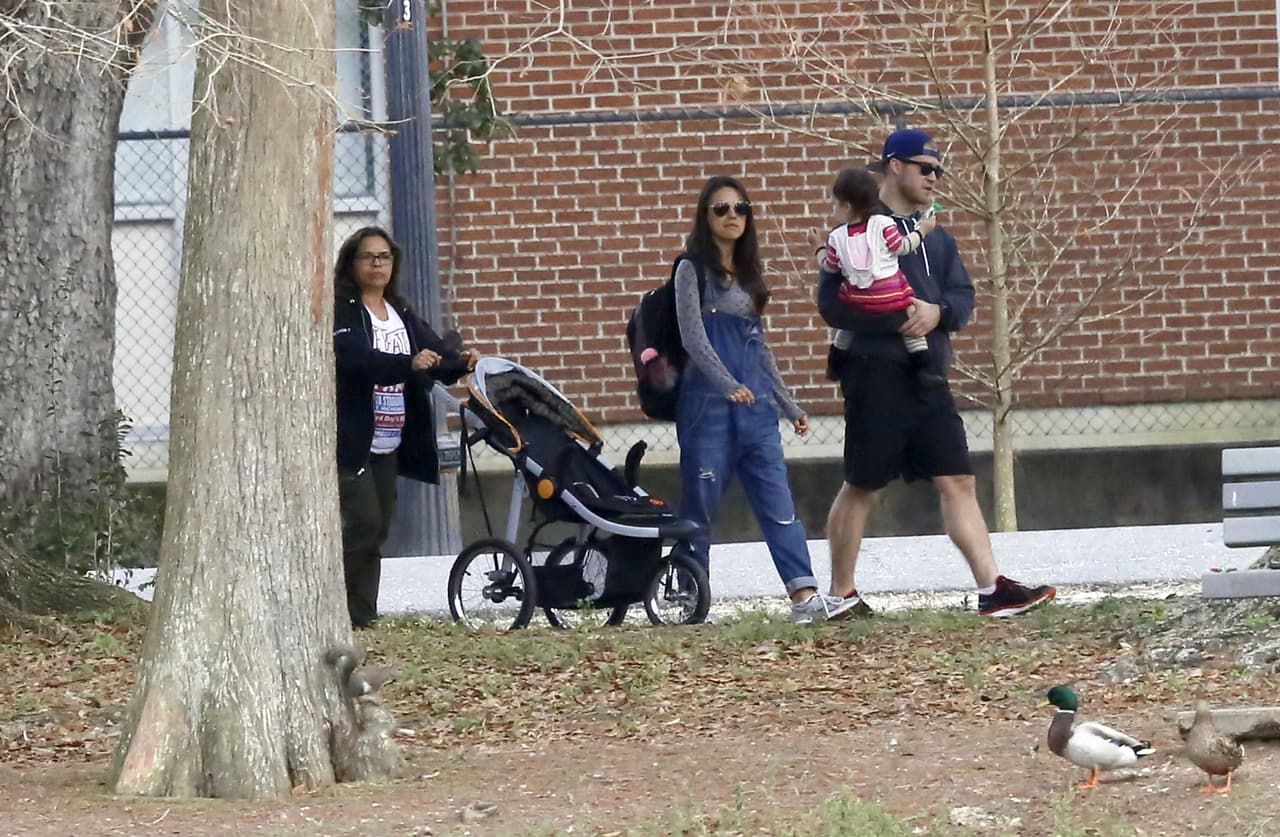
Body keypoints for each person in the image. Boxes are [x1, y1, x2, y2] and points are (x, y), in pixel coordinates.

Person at [817, 130, 1056, 618]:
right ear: (893, 166)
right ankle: (840, 595)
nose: (933, 178)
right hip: (873, 373)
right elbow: (829, 305)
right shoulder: (855, 230)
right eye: (924, 167)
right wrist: (894, 316)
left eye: (938, 171)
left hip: (927, 376)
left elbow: (963, 298)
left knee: (958, 479)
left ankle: (992, 590)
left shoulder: (937, 237)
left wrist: (936, 312)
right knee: (863, 484)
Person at [675, 175, 857, 623]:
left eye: (741, 209)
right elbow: (693, 339)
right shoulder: (691, 271)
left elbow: (761, 348)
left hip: (756, 413)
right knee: (699, 507)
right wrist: (725, 385)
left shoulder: (752, 276)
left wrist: (787, 405)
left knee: (778, 504)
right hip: (708, 410)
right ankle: (689, 599)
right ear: (706, 217)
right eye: (721, 209)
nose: (732, 216)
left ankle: (804, 596)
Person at [333, 226, 476, 629]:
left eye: (385, 257)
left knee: (377, 528)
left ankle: (362, 614)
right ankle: (340, 612)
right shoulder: (345, 311)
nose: (378, 265)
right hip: (353, 439)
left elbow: (434, 355)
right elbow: (356, 360)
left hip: (390, 439)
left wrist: (462, 362)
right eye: (369, 257)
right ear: (352, 263)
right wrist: (406, 364)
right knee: (362, 522)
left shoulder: (401, 312)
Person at [821, 167, 945, 389]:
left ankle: (835, 362)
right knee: (909, 320)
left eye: (836, 204)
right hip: (890, 299)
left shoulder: (836, 236)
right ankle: (924, 367)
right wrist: (923, 231)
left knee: (846, 327)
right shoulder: (883, 224)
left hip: (858, 302)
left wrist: (817, 249)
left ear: (847, 206)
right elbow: (902, 246)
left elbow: (829, 266)